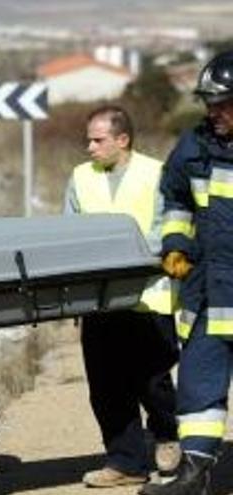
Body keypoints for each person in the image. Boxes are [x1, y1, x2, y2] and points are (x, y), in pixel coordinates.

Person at [62, 106, 181, 487]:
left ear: (122, 139)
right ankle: (126, 462)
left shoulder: (157, 173)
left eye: (98, 140)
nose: (90, 147)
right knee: (106, 385)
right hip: (98, 300)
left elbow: (170, 227)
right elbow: (68, 232)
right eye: (88, 139)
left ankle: (166, 436)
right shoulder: (81, 177)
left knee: (153, 381)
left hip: (148, 297)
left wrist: (132, 258)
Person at [141, 50, 233, 495]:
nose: (212, 112)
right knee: (197, 386)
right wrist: (175, 242)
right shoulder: (194, 147)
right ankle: (194, 475)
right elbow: (176, 198)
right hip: (209, 293)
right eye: (209, 104)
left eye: (222, 104)